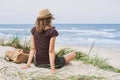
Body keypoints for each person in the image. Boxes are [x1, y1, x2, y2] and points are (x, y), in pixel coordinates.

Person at [22, 9, 76, 73]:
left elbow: (32, 49)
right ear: (50, 19)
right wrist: (52, 69)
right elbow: (51, 51)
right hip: (51, 63)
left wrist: (28, 65)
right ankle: (60, 61)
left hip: (38, 63)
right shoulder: (52, 31)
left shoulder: (33, 30)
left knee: (61, 57)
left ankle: (60, 59)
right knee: (73, 54)